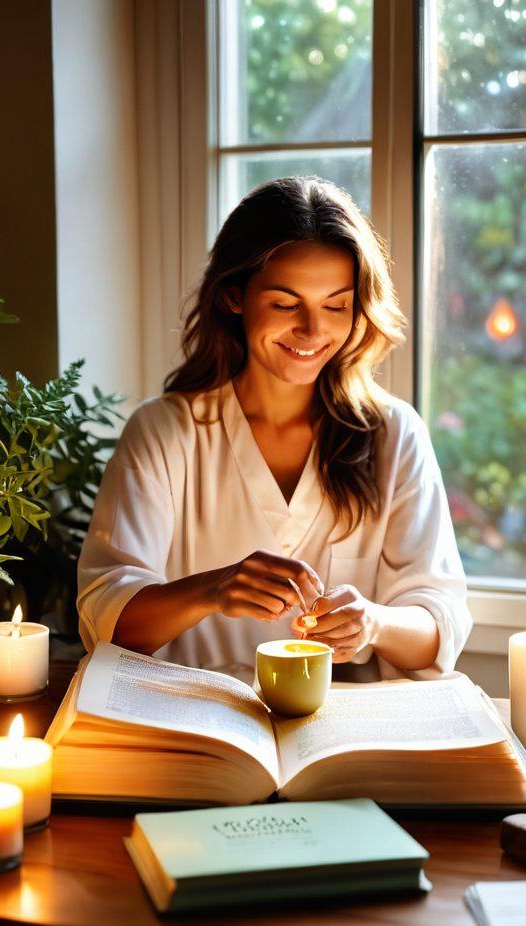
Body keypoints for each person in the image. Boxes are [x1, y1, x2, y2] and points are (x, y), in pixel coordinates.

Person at [77, 176, 470, 680]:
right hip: (197, 722)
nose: (312, 331)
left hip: (341, 729)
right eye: (286, 304)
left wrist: (373, 623)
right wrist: (212, 590)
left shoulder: (394, 434)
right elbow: (104, 619)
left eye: (336, 305)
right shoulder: (165, 432)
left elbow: (440, 625)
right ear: (234, 297)